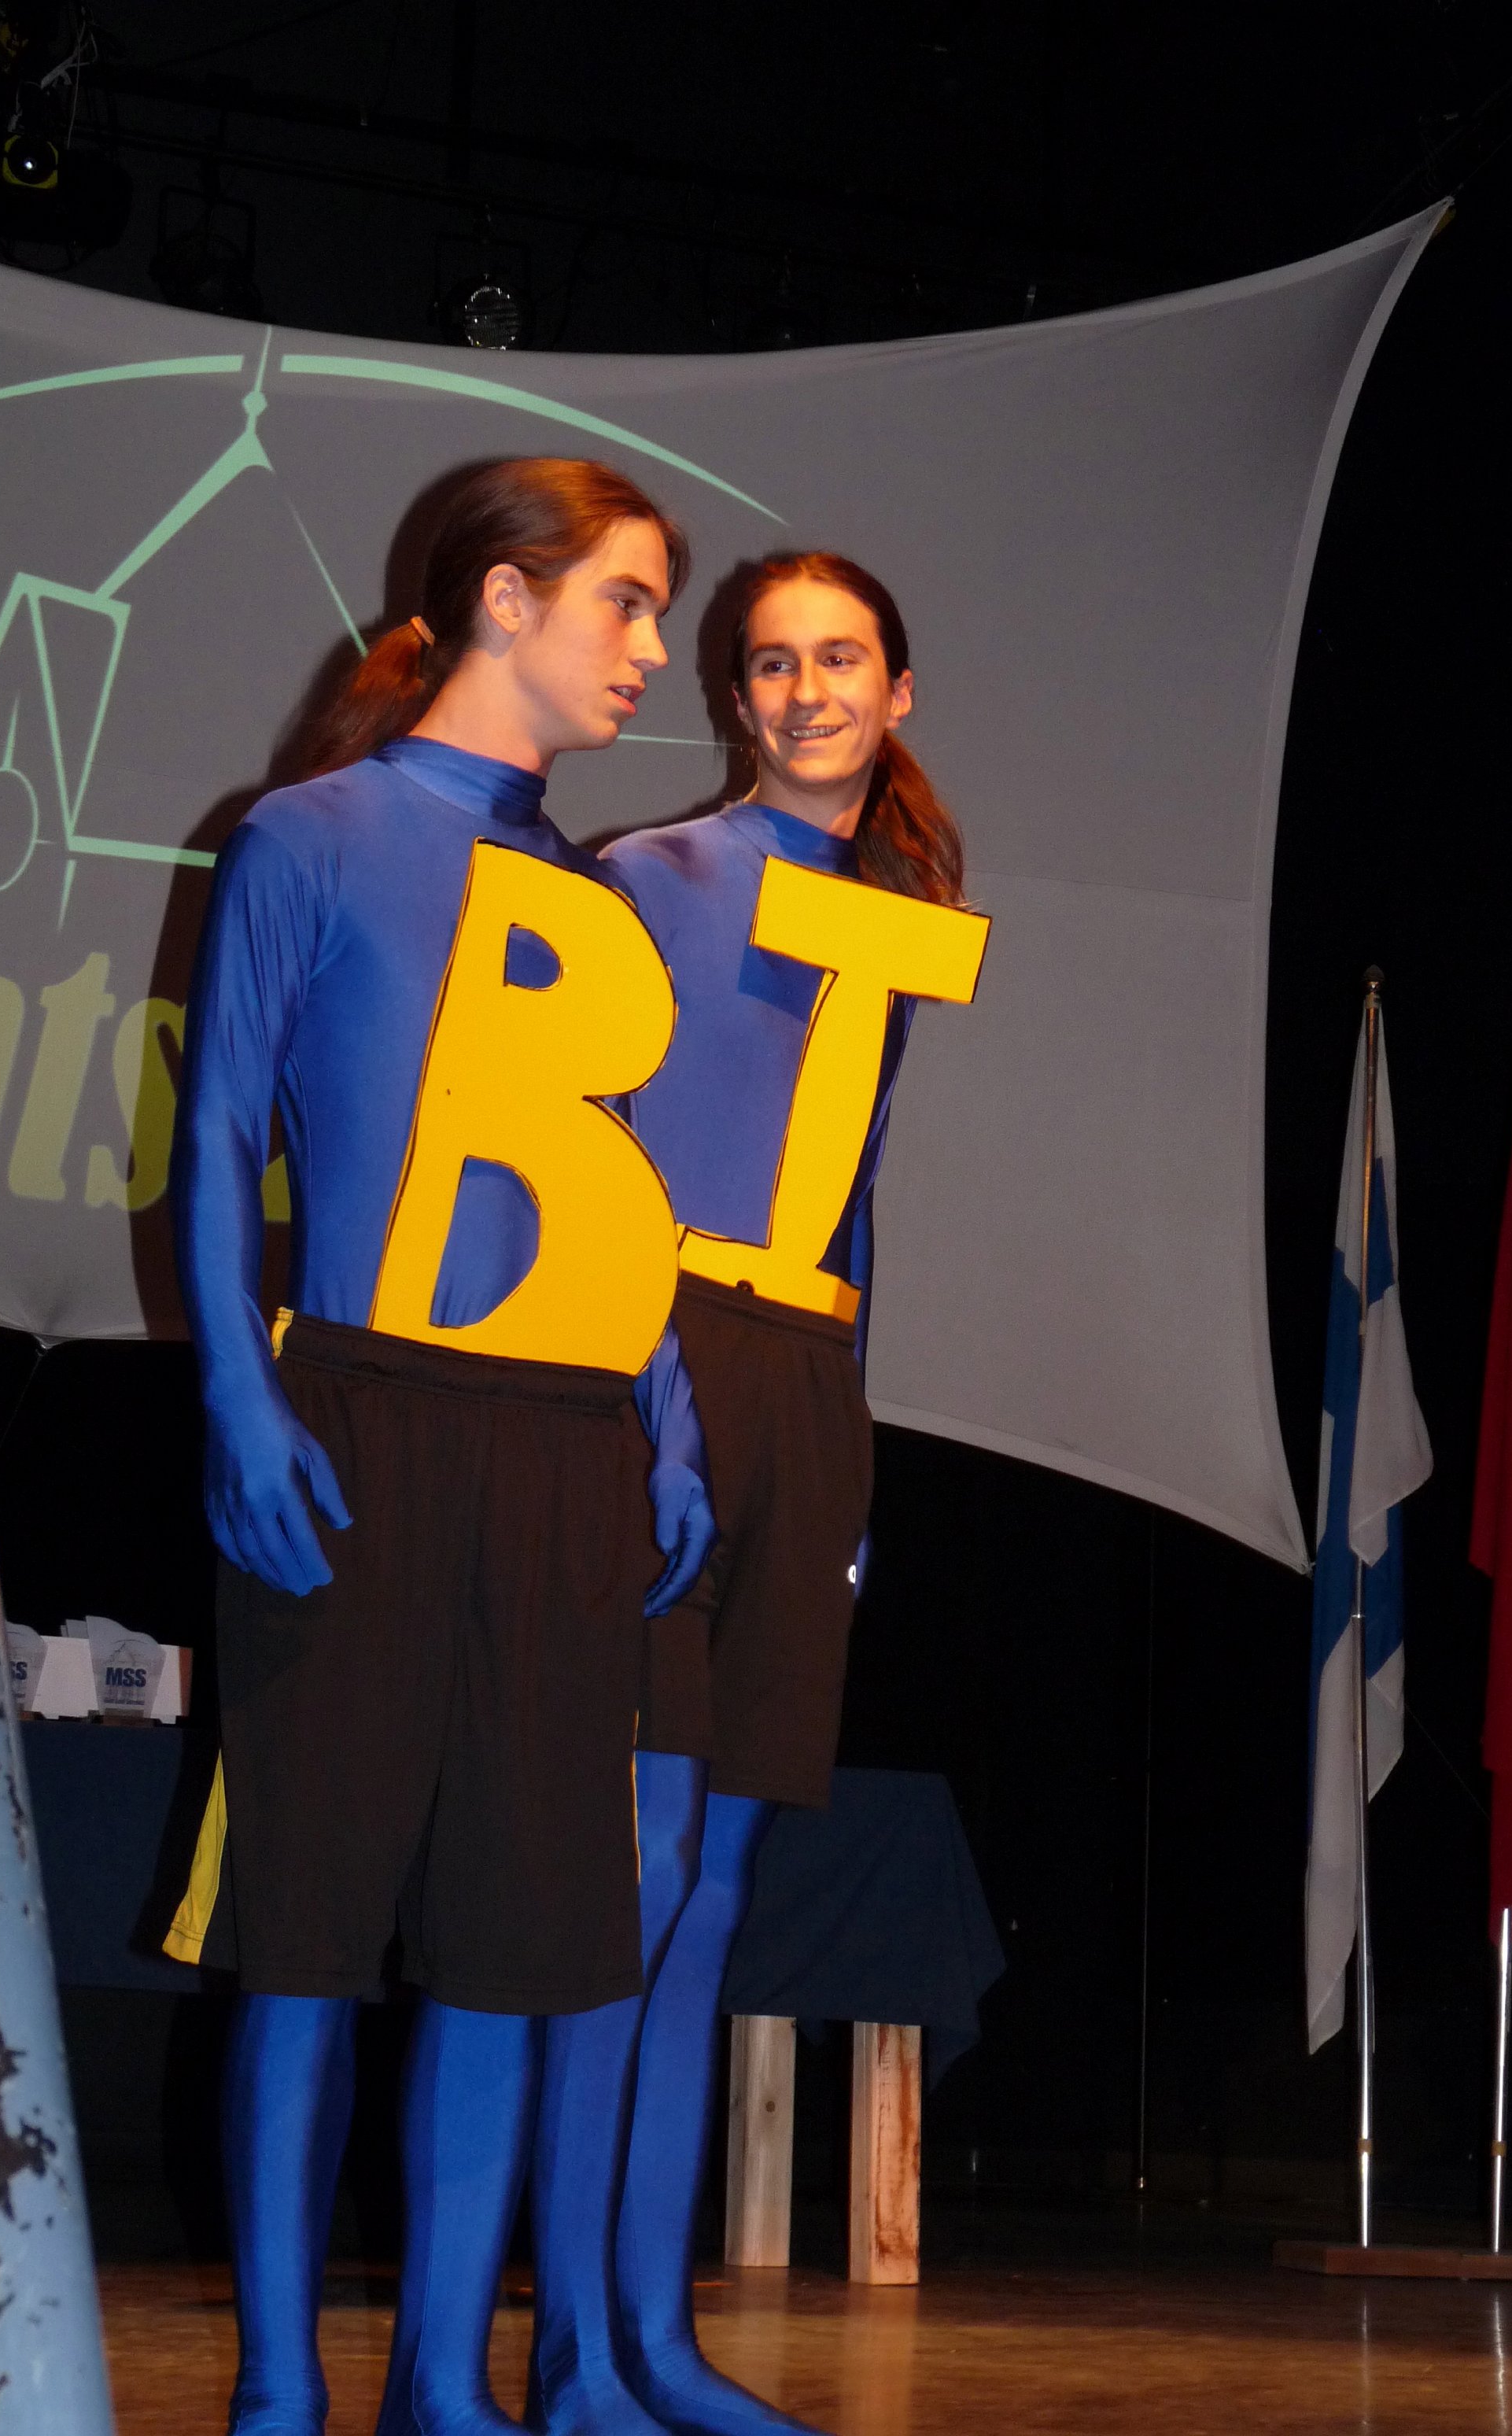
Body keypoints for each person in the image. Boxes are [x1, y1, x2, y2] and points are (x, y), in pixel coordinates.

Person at [167, 457, 717, 2436]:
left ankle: (446, 2387)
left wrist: (663, 1419)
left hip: (566, 1443)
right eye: (626, 602)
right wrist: (239, 1392)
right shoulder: (306, 836)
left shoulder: (590, 900)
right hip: (360, 1418)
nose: (651, 650)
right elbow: (218, 1130)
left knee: (509, 1942)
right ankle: (276, 2392)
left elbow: (617, 1192)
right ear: (506, 597)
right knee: (307, 1933)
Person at [522, 554, 986, 2436]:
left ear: (900, 688)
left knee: (713, 1895)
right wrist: (642, 1394)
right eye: (772, 664)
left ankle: (655, 2338)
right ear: (735, 698)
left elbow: (847, 1192)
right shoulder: (647, 878)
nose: (807, 691)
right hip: (654, 1356)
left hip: (809, 1381)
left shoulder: (901, 917)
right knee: (629, 1877)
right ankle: (575, 2351)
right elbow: (578, 1161)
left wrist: (845, 1449)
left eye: (840, 658)